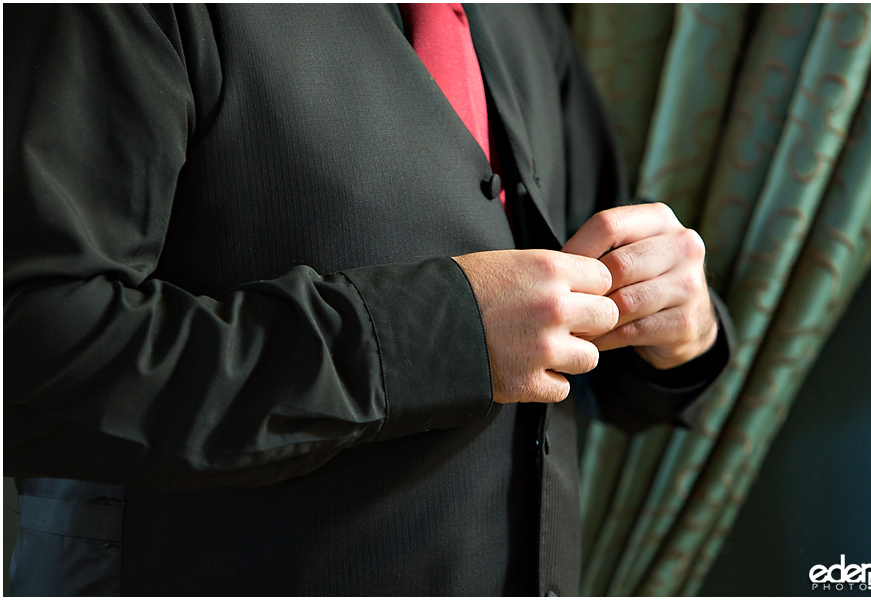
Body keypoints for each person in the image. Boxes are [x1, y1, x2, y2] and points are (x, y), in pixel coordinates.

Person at [4, 4, 732, 596]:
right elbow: (32, 358)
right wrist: (439, 335)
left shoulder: (525, 18)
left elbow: (584, 313)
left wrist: (679, 326)